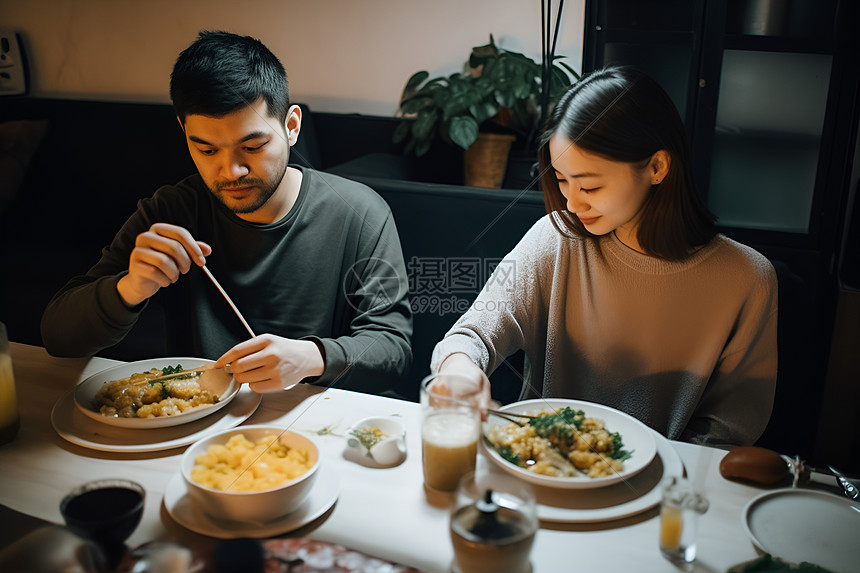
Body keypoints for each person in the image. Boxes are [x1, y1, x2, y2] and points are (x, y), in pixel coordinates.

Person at [41, 31, 412, 395]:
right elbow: (58, 337)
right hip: (201, 423)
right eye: (206, 150)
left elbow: (393, 351)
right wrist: (130, 288)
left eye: (253, 146)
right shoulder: (172, 210)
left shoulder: (359, 212)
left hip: (313, 423)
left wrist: (313, 357)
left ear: (291, 126)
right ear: (184, 132)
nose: (230, 171)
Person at [432, 66, 777, 446]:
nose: (571, 201)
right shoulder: (556, 239)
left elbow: (730, 430)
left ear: (657, 167)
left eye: (590, 185)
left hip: (665, 489)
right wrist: (458, 371)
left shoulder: (747, 278)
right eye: (562, 180)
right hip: (541, 475)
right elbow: (471, 335)